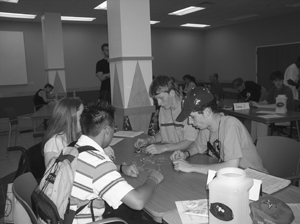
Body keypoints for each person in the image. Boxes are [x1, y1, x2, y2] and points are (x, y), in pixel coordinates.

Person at [67, 101, 163, 224]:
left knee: (128, 212)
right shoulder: (98, 163)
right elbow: (138, 202)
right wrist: (153, 179)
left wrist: (121, 168)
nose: (114, 131)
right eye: (114, 127)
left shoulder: (70, 149)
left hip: (64, 217)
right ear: (106, 130)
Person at [170, 87, 266, 174]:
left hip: (256, 178)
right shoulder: (206, 127)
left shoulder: (230, 125)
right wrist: (185, 154)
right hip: (235, 178)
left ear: (207, 112)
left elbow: (231, 166)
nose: (189, 122)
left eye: (192, 117)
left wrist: (191, 167)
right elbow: (198, 146)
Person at [134, 75, 198, 155]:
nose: (159, 103)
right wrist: (150, 140)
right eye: (156, 99)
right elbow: (163, 133)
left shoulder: (188, 109)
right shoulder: (163, 109)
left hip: (186, 155)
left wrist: (163, 148)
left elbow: (190, 141)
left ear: (172, 93)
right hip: (168, 153)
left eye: (161, 98)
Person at [250, 71, 294, 141]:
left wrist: (260, 106)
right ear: (272, 81)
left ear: (283, 80)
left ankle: (262, 144)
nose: (278, 82)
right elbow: (266, 101)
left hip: (287, 117)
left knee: (262, 121)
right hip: (277, 115)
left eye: (280, 80)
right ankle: (254, 142)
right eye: (276, 81)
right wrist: (255, 103)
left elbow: (279, 106)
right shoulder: (273, 89)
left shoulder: (287, 90)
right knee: (255, 118)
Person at [42, 98, 84, 167]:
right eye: (81, 116)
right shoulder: (54, 143)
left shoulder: (77, 135)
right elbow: (52, 174)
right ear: (69, 119)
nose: (85, 119)